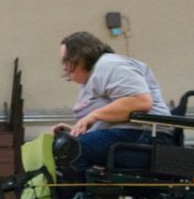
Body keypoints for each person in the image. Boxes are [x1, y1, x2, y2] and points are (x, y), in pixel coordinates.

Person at [53, 31, 173, 179]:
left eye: (66, 59)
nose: (64, 66)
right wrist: (76, 130)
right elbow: (108, 120)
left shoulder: (110, 65)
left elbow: (140, 101)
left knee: (74, 151)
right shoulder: (91, 78)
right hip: (131, 134)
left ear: (80, 56)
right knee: (68, 145)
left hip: (149, 136)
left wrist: (93, 116)